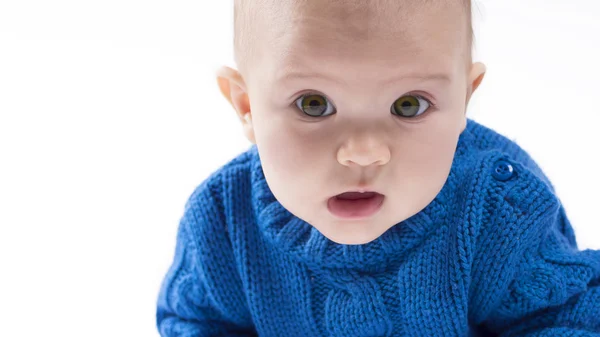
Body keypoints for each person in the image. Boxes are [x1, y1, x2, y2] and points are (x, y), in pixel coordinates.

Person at [156, 0, 600, 335]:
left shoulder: (498, 214)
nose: (364, 152)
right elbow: (192, 320)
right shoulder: (222, 221)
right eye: (314, 105)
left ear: (464, 99)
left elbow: (570, 319)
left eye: (408, 106)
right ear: (247, 106)